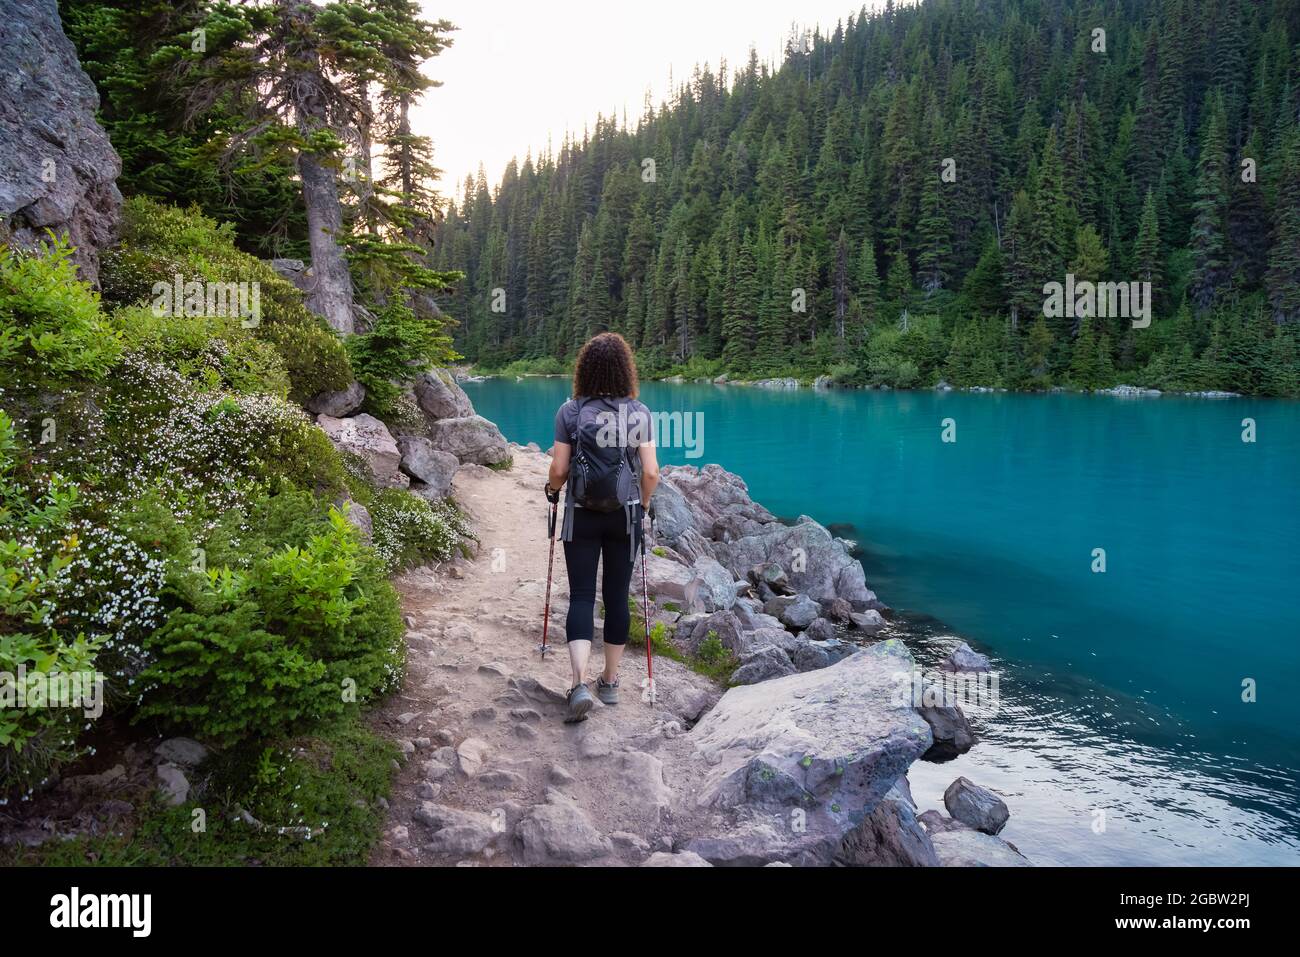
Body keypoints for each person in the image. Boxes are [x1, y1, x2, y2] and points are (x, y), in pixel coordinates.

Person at [546, 332, 659, 723]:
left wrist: (551, 490)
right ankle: (609, 683)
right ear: (625, 370)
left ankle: (578, 684)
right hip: (624, 516)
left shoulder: (570, 412)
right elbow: (651, 472)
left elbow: (560, 469)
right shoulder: (639, 413)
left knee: (580, 596)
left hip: (581, 514)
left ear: (585, 370)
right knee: (616, 596)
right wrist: (642, 506)